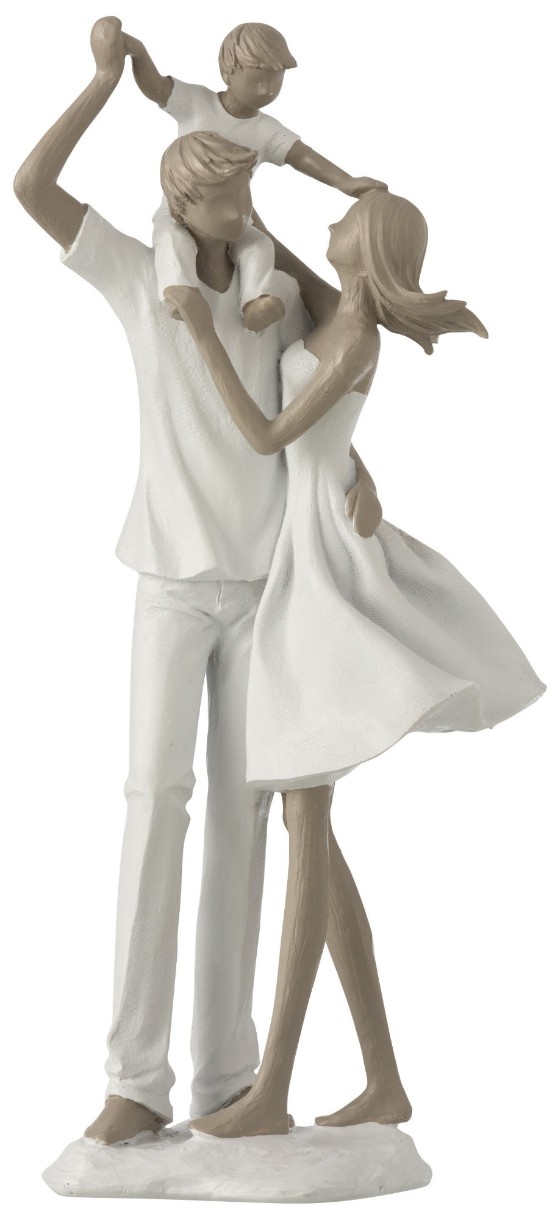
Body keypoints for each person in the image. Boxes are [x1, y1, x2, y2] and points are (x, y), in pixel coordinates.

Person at [13, 19, 380, 1146]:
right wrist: (100, 84)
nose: (251, 200)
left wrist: (358, 463)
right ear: (189, 200)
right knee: (152, 804)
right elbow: (30, 186)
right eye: (235, 192)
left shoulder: (273, 285)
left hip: (267, 581)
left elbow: (337, 360)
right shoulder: (139, 275)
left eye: (252, 187)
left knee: (243, 817)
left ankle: (226, 1072)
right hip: (171, 579)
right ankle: (135, 1075)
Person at [173, 190, 545, 1137]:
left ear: (368, 247)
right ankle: (383, 1082)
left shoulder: (352, 337)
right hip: (307, 533)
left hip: (320, 570)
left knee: (305, 818)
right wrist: (243, 173)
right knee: (312, 838)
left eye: (352, 216)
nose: (335, 220)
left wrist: (202, 334)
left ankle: (271, 1092)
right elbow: (278, 255)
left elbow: (269, 436)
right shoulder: (333, 306)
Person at [122, 20, 387, 331]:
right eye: (259, 80)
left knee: (259, 245)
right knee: (170, 236)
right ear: (228, 72)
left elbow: (302, 157)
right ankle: (178, 291)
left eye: (276, 82)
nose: (268, 90)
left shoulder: (266, 130)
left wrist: (346, 182)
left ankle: (254, 302)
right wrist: (137, 52)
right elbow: (155, 87)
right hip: (181, 209)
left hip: (235, 217)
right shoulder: (197, 104)